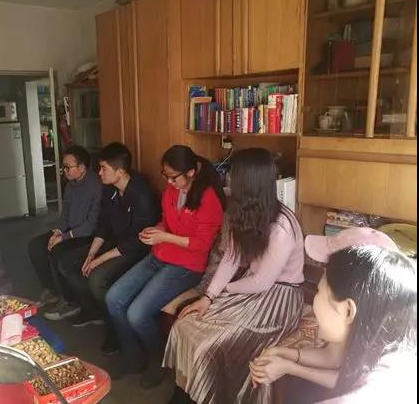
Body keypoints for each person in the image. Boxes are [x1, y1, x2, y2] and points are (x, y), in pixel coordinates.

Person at [164, 148, 305, 404]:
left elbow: (262, 282)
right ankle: (185, 393)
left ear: (247, 182)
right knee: (185, 325)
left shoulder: (282, 226)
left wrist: (224, 291)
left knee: (210, 343)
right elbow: (231, 257)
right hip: (250, 288)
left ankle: (206, 396)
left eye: (233, 175)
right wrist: (208, 296)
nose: (228, 179)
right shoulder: (241, 212)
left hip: (278, 298)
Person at [250, 227, 416, 404]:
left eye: (319, 291)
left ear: (348, 310)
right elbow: (337, 362)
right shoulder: (383, 331)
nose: (314, 303)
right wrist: (285, 357)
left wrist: (289, 366)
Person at [105, 145, 225, 387]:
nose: (169, 182)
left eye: (173, 177)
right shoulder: (172, 190)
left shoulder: (208, 198)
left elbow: (202, 244)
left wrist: (165, 237)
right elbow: (166, 221)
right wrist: (156, 230)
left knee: (137, 314)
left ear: (191, 172)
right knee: (113, 297)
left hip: (186, 266)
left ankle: (158, 359)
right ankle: (133, 355)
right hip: (159, 256)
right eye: (166, 175)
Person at [57, 142, 160, 354]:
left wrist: (99, 260)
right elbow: (103, 224)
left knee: (97, 278)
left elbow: (136, 241)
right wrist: (92, 253)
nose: (99, 173)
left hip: (137, 250)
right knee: (68, 262)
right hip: (115, 243)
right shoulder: (109, 189)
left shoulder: (141, 194)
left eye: (104, 168)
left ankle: (115, 331)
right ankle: (98, 311)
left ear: (120, 172)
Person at [28, 146, 102, 319]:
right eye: (64, 167)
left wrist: (64, 237)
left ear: (82, 167)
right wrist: (57, 232)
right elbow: (65, 215)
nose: (65, 171)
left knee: (58, 251)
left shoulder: (96, 186)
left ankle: (70, 301)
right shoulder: (70, 184)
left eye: (68, 167)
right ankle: (53, 291)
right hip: (69, 231)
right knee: (36, 246)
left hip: (86, 235)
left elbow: (91, 225)